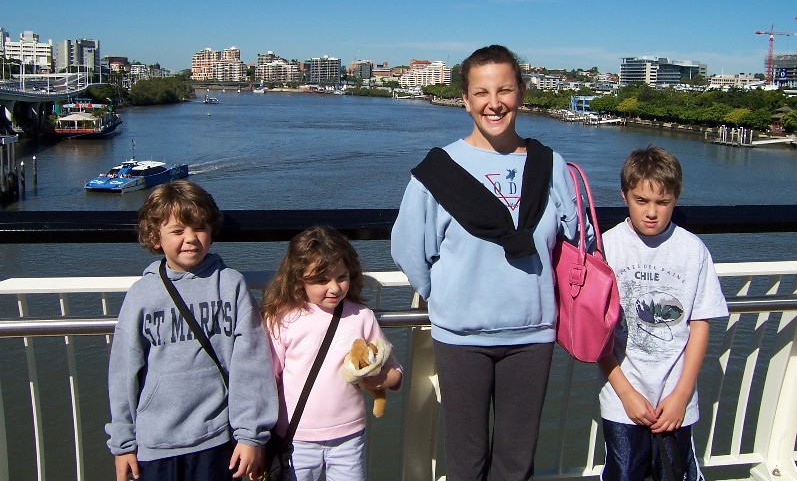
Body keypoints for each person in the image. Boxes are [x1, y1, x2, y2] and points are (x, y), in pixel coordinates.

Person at [391, 44, 586, 480]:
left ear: (520, 93)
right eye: (481, 92)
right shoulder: (438, 171)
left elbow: (575, 238)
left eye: (504, 90)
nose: (493, 103)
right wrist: (448, 296)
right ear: (464, 99)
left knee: (517, 463)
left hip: (532, 332)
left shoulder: (550, 166)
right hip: (461, 335)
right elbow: (408, 248)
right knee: (466, 461)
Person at [106, 180, 278, 481]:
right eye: (177, 231)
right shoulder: (142, 294)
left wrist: (251, 436)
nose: (191, 239)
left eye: (199, 228)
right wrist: (123, 445)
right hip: (155, 445)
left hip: (219, 440)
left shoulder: (230, 285)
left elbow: (251, 365)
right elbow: (123, 372)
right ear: (154, 237)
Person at [598, 146, 729, 480]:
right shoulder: (606, 247)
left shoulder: (692, 250)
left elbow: (700, 324)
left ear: (676, 199)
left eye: (663, 202)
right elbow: (595, 332)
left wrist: (682, 395)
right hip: (621, 398)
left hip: (675, 399)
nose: (651, 212)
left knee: (674, 472)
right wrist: (625, 393)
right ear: (624, 195)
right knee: (623, 472)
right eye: (641, 200)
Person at [261, 226, 403, 481]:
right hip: (296, 439)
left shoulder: (361, 317)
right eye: (320, 280)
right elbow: (268, 379)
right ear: (298, 279)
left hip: (349, 437)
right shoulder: (282, 319)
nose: (334, 288)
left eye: (341, 277)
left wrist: (379, 380)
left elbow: (395, 372)